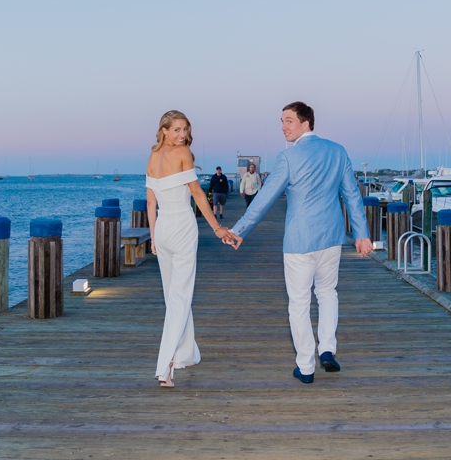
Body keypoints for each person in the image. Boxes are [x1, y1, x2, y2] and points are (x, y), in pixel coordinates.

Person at [224, 102, 371, 384]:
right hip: (331, 238)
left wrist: (240, 229)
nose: (283, 126)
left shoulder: (288, 158)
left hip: (299, 240)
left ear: (306, 123)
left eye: (289, 121)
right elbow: (351, 195)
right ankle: (327, 349)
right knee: (328, 293)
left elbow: (265, 197)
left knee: (299, 303)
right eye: (282, 121)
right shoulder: (338, 152)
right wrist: (361, 235)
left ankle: (306, 366)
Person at [146, 111, 239, 387]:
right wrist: (217, 228)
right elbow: (198, 194)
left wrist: (153, 237)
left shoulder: (152, 158)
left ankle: (186, 353)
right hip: (182, 229)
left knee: (172, 294)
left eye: (185, 130)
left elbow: (151, 204)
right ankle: (165, 366)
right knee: (179, 297)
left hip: (162, 229)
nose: (182, 135)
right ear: (163, 130)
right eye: (175, 130)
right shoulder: (184, 153)